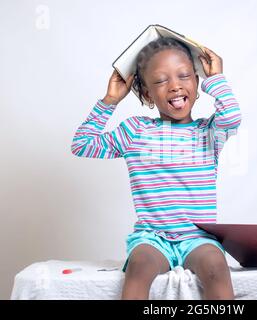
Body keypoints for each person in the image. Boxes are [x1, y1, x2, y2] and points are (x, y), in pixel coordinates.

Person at [71, 37, 242, 300]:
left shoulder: (209, 132)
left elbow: (232, 116)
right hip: (152, 238)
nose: (174, 86)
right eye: (161, 81)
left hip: (198, 237)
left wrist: (217, 78)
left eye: (184, 76)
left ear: (197, 85)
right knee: (139, 267)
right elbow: (82, 144)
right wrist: (110, 100)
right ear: (148, 94)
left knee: (217, 266)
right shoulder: (136, 131)